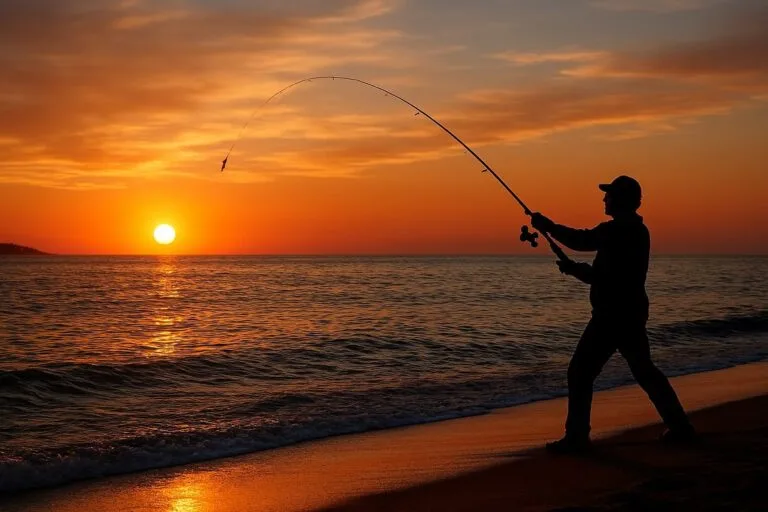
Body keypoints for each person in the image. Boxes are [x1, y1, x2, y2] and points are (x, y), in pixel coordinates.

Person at [531, 175, 695, 454]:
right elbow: (606, 275)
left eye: (608, 195)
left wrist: (548, 227)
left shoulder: (616, 231)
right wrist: (577, 270)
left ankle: (577, 438)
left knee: (580, 373)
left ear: (619, 200)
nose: (603, 199)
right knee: (645, 371)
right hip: (630, 312)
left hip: (611, 316)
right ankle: (681, 427)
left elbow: (581, 241)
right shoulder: (637, 231)